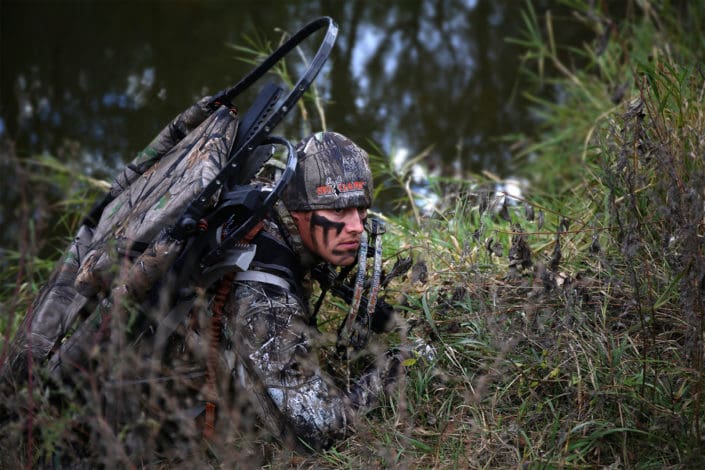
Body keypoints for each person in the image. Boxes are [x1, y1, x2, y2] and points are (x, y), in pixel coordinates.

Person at [216, 131, 403, 450]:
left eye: (361, 210)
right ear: (298, 212)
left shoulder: (278, 207)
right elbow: (323, 428)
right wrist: (396, 367)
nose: (357, 227)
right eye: (339, 211)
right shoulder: (265, 300)